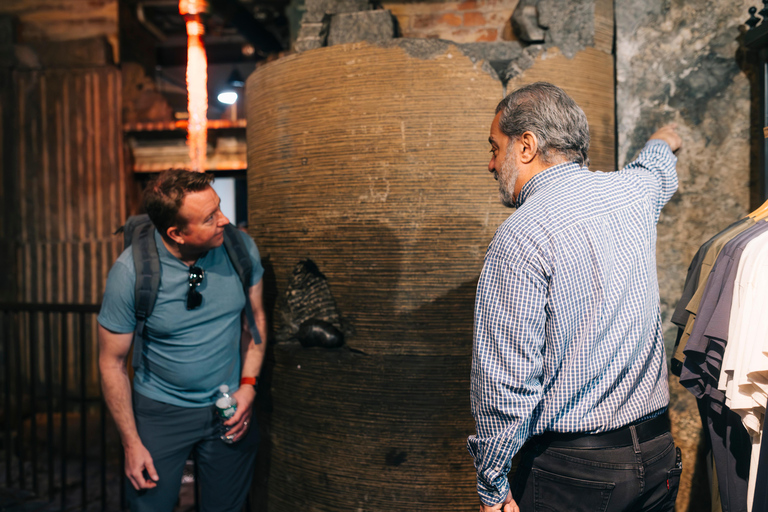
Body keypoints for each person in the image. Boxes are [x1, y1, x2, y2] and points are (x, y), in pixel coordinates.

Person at [467, 82, 683, 512]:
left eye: (495, 147)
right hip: (658, 454)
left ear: (526, 145)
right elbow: (658, 165)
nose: (491, 164)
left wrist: (492, 488)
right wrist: (666, 136)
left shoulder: (520, 237)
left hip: (574, 475)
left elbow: (505, 386)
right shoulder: (634, 194)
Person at [98, 170, 267, 511]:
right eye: (210, 217)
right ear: (176, 233)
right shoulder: (131, 273)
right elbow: (111, 362)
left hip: (229, 407)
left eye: (218, 207)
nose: (225, 220)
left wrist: (248, 385)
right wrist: (131, 443)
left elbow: (255, 322)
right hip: (160, 412)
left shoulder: (240, 247)